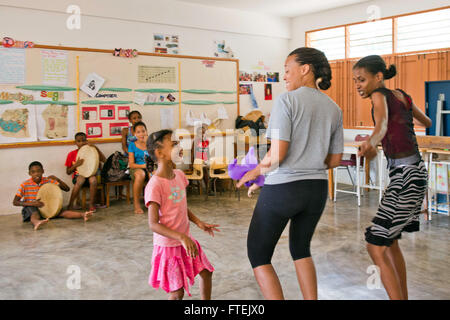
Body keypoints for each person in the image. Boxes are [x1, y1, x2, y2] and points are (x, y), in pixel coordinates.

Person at [237, 47, 344, 300]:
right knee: (300, 249)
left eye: (287, 70)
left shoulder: (288, 101)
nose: (284, 77)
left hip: (284, 191)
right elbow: (334, 160)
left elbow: (278, 154)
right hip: (316, 190)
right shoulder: (334, 108)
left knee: (259, 254)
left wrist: (255, 172)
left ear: (305, 69)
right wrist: (306, 162)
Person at [353, 55, 432, 300]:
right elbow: (427, 121)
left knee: (376, 242)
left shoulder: (379, 95)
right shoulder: (402, 95)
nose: (358, 85)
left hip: (405, 176)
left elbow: (383, 125)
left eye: (362, 80)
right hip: (416, 173)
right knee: (391, 240)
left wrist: (370, 143)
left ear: (378, 77)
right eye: (355, 81)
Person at [145, 129, 219, 300]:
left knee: (207, 273)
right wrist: (181, 237)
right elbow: (153, 224)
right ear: (160, 152)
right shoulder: (155, 185)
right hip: (169, 247)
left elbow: (179, 206)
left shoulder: (179, 175)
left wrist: (198, 222)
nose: (179, 147)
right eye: (174, 144)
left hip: (185, 241)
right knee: (177, 293)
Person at [13, 161, 94, 230]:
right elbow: (15, 202)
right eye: (33, 172)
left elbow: (67, 189)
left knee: (62, 212)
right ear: (29, 173)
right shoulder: (25, 184)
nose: (36, 173)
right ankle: (36, 222)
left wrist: (57, 179)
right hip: (31, 207)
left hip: (46, 207)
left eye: (39, 171)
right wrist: (33, 203)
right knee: (34, 212)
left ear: (43, 171)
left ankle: (83, 215)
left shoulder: (48, 181)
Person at [65, 132, 106, 212]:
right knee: (80, 180)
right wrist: (76, 165)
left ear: (87, 141)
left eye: (83, 140)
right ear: (75, 143)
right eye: (79, 141)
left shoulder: (92, 150)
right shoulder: (72, 154)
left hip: (91, 174)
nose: (82, 143)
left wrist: (96, 148)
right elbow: (68, 172)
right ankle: (70, 204)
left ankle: (91, 204)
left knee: (93, 180)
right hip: (79, 175)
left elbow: (104, 160)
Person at [128, 121, 151, 214]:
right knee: (141, 174)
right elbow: (131, 164)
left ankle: (153, 202)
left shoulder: (150, 144)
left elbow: (155, 159)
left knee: (153, 175)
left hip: (149, 167)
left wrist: (148, 145)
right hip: (136, 168)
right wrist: (143, 166)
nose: (141, 134)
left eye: (143, 131)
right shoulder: (132, 145)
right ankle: (136, 204)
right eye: (138, 132)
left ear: (146, 132)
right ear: (134, 134)